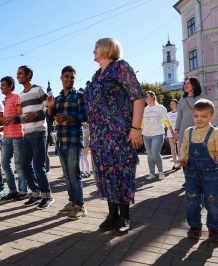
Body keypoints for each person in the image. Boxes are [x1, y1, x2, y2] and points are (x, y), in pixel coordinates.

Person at [84, 38, 144, 234]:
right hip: (100, 136)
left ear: (106, 49)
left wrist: (135, 128)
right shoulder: (96, 76)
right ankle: (112, 215)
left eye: (95, 47)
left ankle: (124, 216)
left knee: (122, 172)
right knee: (106, 174)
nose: (93, 51)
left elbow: (138, 98)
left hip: (120, 133)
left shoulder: (120, 67)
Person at [2, 65, 54, 209]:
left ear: (28, 74)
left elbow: (49, 107)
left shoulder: (39, 89)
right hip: (27, 134)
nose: (18, 76)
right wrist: (14, 119)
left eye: (20, 73)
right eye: (17, 73)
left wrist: (36, 114)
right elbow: (24, 116)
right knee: (24, 166)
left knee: (38, 166)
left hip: (39, 133)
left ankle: (47, 195)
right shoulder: (22, 95)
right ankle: (35, 193)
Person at [177, 99, 218, 243]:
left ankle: (214, 227)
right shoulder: (188, 131)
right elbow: (184, 149)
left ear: (212, 116)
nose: (199, 119)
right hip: (191, 172)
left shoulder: (216, 133)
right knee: (191, 199)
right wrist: (182, 159)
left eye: (203, 116)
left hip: (211, 173)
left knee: (212, 200)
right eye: (196, 116)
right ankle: (194, 226)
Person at [47, 65, 87, 220]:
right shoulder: (57, 99)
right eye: (67, 76)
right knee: (66, 176)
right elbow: (50, 118)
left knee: (74, 175)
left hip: (74, 140)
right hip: (61, 140)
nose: (69, 79)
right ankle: (72, 202)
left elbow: (85, 116)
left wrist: (67, 118)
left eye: (72, 77)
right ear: (61, 78)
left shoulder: (79, 96)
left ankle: (80, 206)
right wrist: (50, 108)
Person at [0, 76, 29, 201]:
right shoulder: (6, 100)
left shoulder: (16, 97)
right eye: (1, 85)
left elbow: (20, 115)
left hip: (18, 135)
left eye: (3, 85)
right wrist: (1, 124)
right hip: (7, 136)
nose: (1, 87)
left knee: (19, 165)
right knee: (5, 163)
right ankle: (13, 190)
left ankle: (23, 191)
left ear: (10, 86)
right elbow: (8, 120)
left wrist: (4, 120)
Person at [174, 77, 206, 187]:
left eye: (189, 83)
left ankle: (199, 178)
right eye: (185, 83)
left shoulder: (202, 98)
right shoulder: (182, 100)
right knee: (183, 154)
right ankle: (188, 179)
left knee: (199, 154)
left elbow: (209, 114)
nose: (186, 85)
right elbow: (179, 118)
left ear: (195, 85)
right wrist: (176, 132)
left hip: (200, 130)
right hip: (184, 131)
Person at [142, 91, 175, 181]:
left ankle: (161, 172)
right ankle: (152, 173)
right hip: (146, 135)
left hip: (157, 134)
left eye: (147, 96)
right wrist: (140, 133)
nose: (145, 98)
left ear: (153, 97)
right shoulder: (145, 109)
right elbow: (142, 123)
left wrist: (172, 131)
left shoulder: (160, 108)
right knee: (149, 155)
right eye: (145, 97)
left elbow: (166, 120)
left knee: (155, 153)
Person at [167, 99, 179, 169]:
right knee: (173, 148)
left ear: (177, 104)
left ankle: (180, 162)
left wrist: (177, 132)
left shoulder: (180, 113)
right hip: (170, 133)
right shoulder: (168, 114)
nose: (172, 105)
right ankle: (175, 163)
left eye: (173, 104)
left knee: (179, 148)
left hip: (178, 133)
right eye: (171, 104)